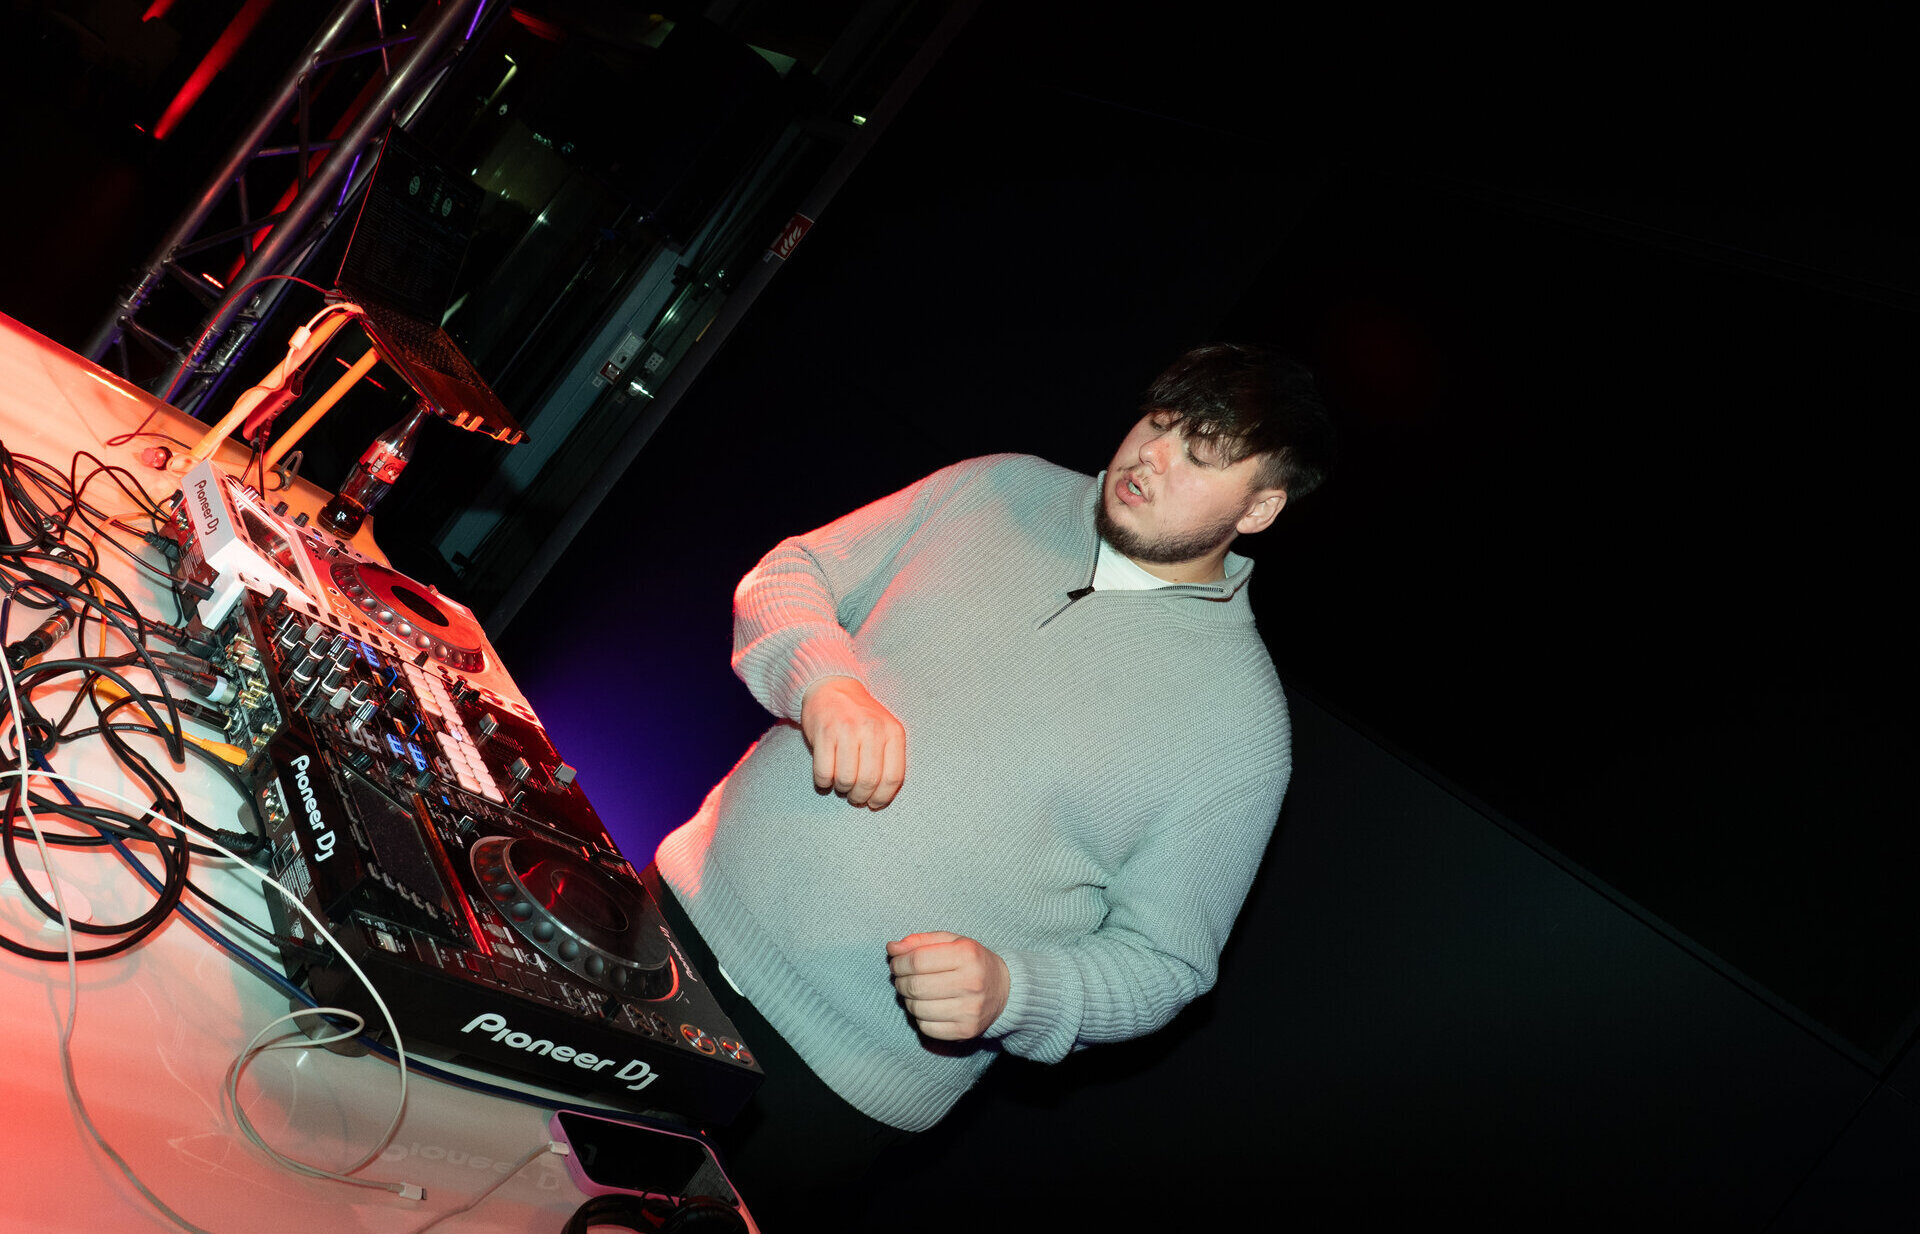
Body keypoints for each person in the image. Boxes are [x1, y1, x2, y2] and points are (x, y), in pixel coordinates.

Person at [650, 343, 1333, 1222]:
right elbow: (790, 574)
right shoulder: (998, 486)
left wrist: (1016, 990)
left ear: (1262, 507)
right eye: (1158, 422)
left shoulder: (1241, 729)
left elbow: (1166, 964)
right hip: (673, 919)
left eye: (1200, 455)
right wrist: (825, 681)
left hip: (829, 1088)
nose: (1152, 456)